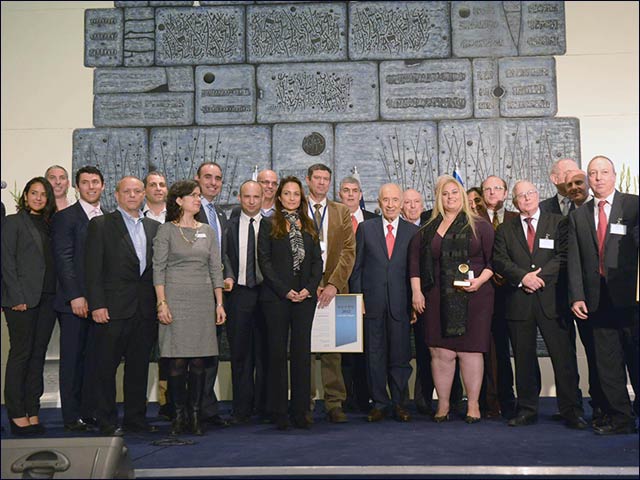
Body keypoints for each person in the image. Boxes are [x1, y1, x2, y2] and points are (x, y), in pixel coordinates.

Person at [493, 180, 587, 429]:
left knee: (563, 358)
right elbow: (500, 260)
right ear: (514, 202)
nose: (526, 198)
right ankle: (527, 409)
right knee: (523, 360)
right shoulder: (505, 229)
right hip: (519, 302)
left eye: (530, 193)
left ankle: (571, 411)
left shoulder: (558, 222)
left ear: (538, 196)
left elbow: (564, 256)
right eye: (520, 196)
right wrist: (523, 277)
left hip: (552, 301)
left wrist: (538, 278)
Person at [409, 175, 494, 423]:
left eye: (455, 193)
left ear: (463, 197)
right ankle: (443, 405)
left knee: (470, 352)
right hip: (436, 297)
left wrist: (479, 280)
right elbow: (415, 263)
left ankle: (474, 406)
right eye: (445, 194)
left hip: (475, 297)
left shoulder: (480, 226)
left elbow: (492, 262)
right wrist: (416, 291)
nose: (450, 198)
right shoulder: (428, 228)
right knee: (441, 353)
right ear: (439, 197)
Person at [568, 155, 639, 435]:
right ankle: (620, 419)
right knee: (607, 364)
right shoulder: (578, 216)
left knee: (636, 359)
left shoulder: (634, 205)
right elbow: (574, 260)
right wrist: (576, 296)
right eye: (593, 173)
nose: (598, 178)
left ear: (614, 175)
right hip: (597, 300)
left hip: (631, 300)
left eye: (603, 172)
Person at [85, 176, 160, 436]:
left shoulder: (153, 227)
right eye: (126, 191)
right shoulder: (101, 225)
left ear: (144, 195)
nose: (132, 195)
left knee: (138, 369)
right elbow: (92, 270)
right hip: (111, 310)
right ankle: (106, 420)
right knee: (105, 368)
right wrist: (97, 304)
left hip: (144, 310)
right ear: (116, 195)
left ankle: (135, 419)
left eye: (137, 191)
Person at [153, 180, 226, 436]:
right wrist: (161, 302)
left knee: (198, 361)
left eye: (198, 195)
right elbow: (158, 269)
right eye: (193, 195)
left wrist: (219, 303)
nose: (198, 199)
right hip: (174, 300)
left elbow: (215, 268)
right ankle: (178, 414)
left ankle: (195, 415)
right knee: (176, 361)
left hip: (202, 301)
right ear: (179, 201)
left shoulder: (208, 230)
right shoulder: (166, 232)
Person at [257, 176, 322, 430]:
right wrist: (286, 291)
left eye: (296, 194)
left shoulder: (309, 224)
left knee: (301, 354)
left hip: (305, 299)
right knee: (276, 354)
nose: (292, 198)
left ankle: (301, 410)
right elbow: (265, 263)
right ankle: (279, 411)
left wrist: (307, 289)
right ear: (279, 196)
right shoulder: (268, 224)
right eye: (287, 193)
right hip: (276, 298)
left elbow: (318, 262)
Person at [351, 183, 418, 423]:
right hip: (372, 304)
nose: (390, 204)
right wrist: (359, 298)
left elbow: (415, 271)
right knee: (375, 355)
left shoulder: (412, 232)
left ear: (401, 203)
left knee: (400, 357)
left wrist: (413, 303)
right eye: (385, 200)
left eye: (394, 200)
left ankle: (400, 403)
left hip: (401, 305)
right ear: (378, 203)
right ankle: (379, 403)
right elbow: (356, 268)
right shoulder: (365, 229)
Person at [1, 177, 57, 435]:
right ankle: (16, 414)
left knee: (37, 357)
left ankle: (32, 411)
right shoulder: (12, 223)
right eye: (33, 193)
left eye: (43, 194)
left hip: (47, 299)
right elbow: (7, 263)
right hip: (21, 300)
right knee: (20, 355)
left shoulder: (49, 225)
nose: (38, 198)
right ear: (25, 196)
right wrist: (16, 296)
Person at [52, 166, 105, 432]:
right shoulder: (66, 217)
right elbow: (64, 259)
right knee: (72, 360)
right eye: (85, 183)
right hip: (75, 302)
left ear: (103, 186)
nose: (91, 187)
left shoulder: (107, 218)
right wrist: (76, 295)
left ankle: (90, 411)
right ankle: (71, 417)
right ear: (77, 187)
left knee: (94, 360)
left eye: (95, 182)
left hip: (100, 303)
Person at [305, 164, 356, 424]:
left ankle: (334, 402)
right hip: (305, 289)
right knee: (304, 347)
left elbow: (349, 250)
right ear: (308, 180)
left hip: (335, 288)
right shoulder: (296, 209)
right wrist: (309, 282)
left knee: (333, 348)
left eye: (326, 179)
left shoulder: (340, 211)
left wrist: (334, 283)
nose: (322, 183)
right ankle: (306, 400)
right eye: (318, 178)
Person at [222, 180, 268, 424]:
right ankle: (241, 408)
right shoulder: (228, 227)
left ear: (263, 198)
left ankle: (263, 406)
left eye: (256, 197)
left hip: (266, 295)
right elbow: (224, 257)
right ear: (239, 197)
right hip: (238, 294)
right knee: (240, 353)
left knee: (265, 353)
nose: (251, 201)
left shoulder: (272, 226)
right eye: (247, 196)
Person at [194, 162, 229, 427]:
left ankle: (206, 407)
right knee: (193, 355)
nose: (213, 182)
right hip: (194, 292)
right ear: (197, 179)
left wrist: (226, 275)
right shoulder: (190, 212)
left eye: (218, 178)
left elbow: (221, 252)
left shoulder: (219, 213)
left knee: (210, 353)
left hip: (216, 292)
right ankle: (190, 408)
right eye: (208, 177)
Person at [337, 176, 376, 413]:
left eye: (355, 191)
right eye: (346, 191)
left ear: (361, 195)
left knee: (368, 346)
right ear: (340, 194)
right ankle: (346, 397)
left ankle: (366, 396)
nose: (350, 195)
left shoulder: (373, 221)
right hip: (342, 291)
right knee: (345, 346)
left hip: (369, 293)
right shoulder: (332, 220)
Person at [481, 175, 517, 419]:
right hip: (484, 294)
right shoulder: (472, 220)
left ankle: (519, 400)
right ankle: (491, 401)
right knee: (490, 350)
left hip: (515, 294)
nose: (492, 192)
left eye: (497, 188)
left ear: (505, 193)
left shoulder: (516, 218)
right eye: (487, 189)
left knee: (519, 350)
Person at [142, 171, 171, 420]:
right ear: (144, 190)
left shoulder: (174, 219)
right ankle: (137, 408)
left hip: (171, 292)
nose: (158, 189)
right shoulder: (136, 218)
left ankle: (167, 400)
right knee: (141, 351)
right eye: (153, 185)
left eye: (162, 185)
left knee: (168, 351)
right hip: (142, 295)